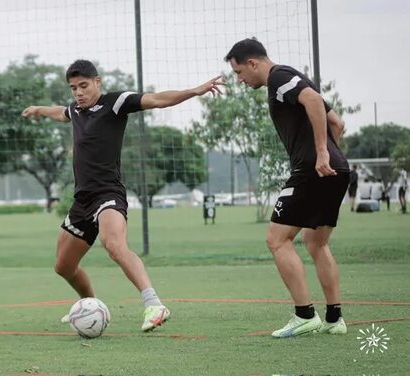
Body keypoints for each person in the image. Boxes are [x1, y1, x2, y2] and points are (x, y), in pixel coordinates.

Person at [22, 60, 224, 332]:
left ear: (98, 82)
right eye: (73, 88)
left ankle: (154, 304)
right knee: (63, 266)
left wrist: (195, 90)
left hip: (108, 194)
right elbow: (61, 113)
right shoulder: (75, 110)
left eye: (84, 85)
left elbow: (157, 100)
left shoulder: (115, 103)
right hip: (82, 200)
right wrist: (39, 110)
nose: (78, 92)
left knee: (114, 245)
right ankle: (89, 305)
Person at [225, 38, 349, 338]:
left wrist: (320, 152)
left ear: (253, 63)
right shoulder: (291, 78)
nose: (240, 80)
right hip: (337, 169)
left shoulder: (278, 78)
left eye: (240, 72)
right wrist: (331, 154)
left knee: (277, 240)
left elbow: (315, 102)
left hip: (311, 170)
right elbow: (338, 122)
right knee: (316, 243)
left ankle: (304, 315)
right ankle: (335, 319)